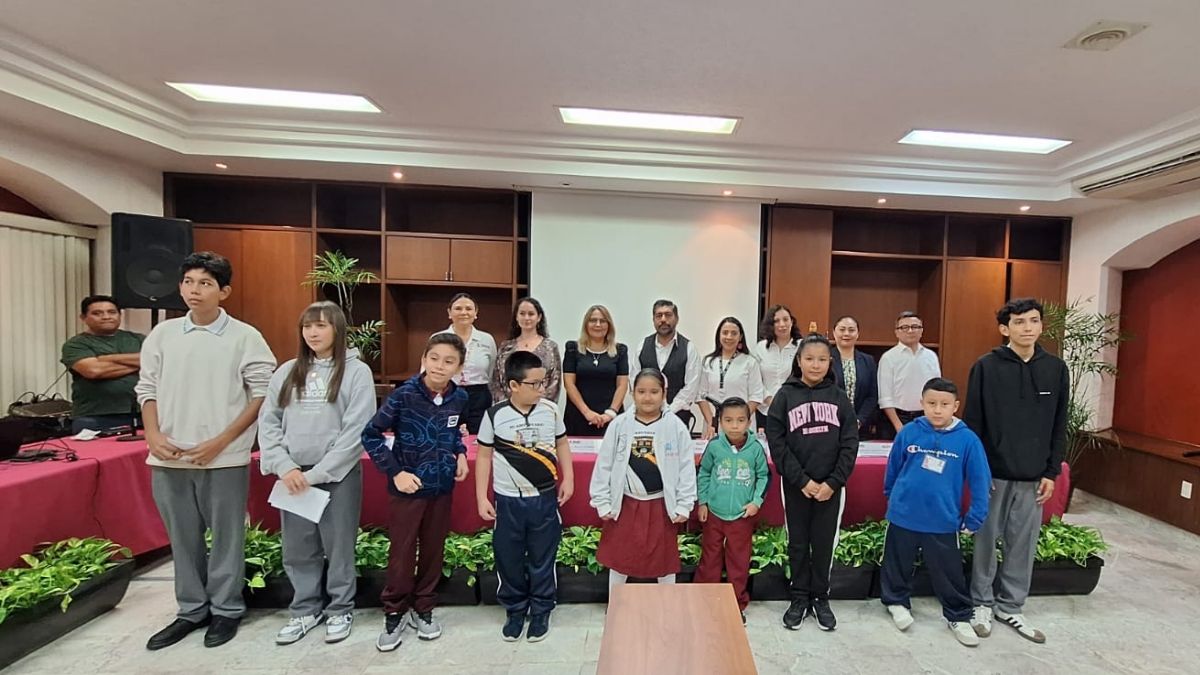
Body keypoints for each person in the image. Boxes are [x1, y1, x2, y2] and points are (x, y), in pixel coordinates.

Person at [136, 252, 276, 651]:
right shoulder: (162, 335)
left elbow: (261, 394)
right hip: (169, 456)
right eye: (188, 282)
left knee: (227, 537)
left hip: (224, 457)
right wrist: (152, 434)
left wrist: (221, 440)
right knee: (183, 539)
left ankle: (227, 609)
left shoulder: (245, 336)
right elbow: (146, 388)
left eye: (205, 283)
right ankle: (191, 610)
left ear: (224, 291)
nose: (194, 290)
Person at [258, 301, 375, 646]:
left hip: (336, 475)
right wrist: (285, 466)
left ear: (337, 329)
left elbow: (357, 429)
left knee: (338, 545)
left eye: (321, 325)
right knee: (298, 547)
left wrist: (318, 473)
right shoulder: (287, 371)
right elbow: (269, 422)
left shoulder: (356, 372)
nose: (313, 332)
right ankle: (305, 610)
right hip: (293, 475)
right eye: (307, 326)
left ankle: (340, 609)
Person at [964, 298, 1069, 645]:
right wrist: (977, 472)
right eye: (1019, 322)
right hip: (993, 474)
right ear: (1004, 328)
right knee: (985, 540)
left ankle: (1011, 605)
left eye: (1034, 321)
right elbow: (973, 422)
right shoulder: (986, 366)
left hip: (1034, 476)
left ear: (1041, 326)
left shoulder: (1055, 369)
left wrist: (1051, 471)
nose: (1028, 328)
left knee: (1022, 544)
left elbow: (1059, 424)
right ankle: (981, 602)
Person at [362, 333, 470, 652]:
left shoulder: (459, 397)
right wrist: (396, 472)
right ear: (424, 359)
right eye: (434, 358)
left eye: (448, 361)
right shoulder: (404, 395)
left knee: (434, 549)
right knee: (403, 552)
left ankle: (424, 607)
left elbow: (453, 432)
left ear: (459, 367)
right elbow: (370, 435)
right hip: (408, 488)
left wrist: (460, 453)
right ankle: (395, 611)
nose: (439, 366)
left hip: (442, 486)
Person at [880, 378, 991, 648]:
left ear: (955, 406)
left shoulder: (967, 440)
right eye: (931, 403)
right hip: (904, 515)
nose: (937, 410)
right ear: (922, 403)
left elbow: (980, 482)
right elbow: (893, 468)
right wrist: (892, 497)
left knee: (949, 571)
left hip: (943, 520)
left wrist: (975, 517)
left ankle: (958, 615)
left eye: (944, 404)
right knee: (897, 563)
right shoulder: (909, 432)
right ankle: (896, 602)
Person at [475, 351, 574, 642]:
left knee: (543, 556)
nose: (541, 389)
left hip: (543, 498)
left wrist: (569, 478)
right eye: (535, 384)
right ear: (514, 385)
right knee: (509, 558)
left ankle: (542, 609)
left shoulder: (550, 411)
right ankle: (515, 610)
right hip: (507, 500)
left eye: (544, 382)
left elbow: (562, 444)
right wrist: (482, 497)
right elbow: (483, 456)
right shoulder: (494, 415)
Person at [765, 334, 858, 632]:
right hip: (796, 487)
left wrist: (833, 482)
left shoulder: (839, 398)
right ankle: (799, 597)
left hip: (831, 488)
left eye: (821, 359)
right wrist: (802, 480)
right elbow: (777, 442)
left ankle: (820, 597)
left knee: (823, 543)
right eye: (809, 359)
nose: (815, 365)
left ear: (830, 362)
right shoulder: (785, 396)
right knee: (797, 543)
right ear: (799, 361)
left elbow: (850, 443)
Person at [590, 368, 696, 593]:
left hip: (661, 504)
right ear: (632, 393)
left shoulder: (676, 426)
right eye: (641, 391)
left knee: (664, 561)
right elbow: (604, 465)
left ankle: (667, 604)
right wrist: (602, 500)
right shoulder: (619, 424)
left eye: (654, 392)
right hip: (626, 503)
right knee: (620, 559)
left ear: (664, 394)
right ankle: (616, 603)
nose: (647, 397)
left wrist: (684, 503)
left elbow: (686, 468)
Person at [694, 397, 769, 624]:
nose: (734, 425)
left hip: (741, 515)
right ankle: (704, 601)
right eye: (728, 420)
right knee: (710, 558)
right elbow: (703, 473)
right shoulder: (715, 446)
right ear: (720, 422)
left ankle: (735, 604)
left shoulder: (755, 449)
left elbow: (764, 476)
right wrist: (703, 502)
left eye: (740, 420)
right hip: (714, 513)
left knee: (738, 561)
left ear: (749, 422)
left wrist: (756, 502)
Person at [61, 295, 145, 433]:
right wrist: (140, 363)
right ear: (83, 318)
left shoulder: (138, 339)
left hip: (143, 413)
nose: (106, 317)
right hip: (95, 416)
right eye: (97, 313)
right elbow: (94, 371)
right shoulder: (76, 344)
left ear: (120, 315)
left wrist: (108, 358)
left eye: (112, 312)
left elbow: (159, 363)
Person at [630, 299, 701, 430]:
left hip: (677, 419)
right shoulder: (642, 346)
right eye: (659, 315)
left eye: (668, 315)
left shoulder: (689, 348)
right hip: (644, 419)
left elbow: (691, 387)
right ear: (653, 320)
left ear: (677, 319)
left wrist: (668, 411)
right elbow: (635, 381)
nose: (663, 319)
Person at [433, 293, 496, 434]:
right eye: (458, 308)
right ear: (449, 313)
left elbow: (492, 371)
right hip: (447, 393)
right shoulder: (438, 338)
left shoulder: (486, 339)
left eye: (468, 308)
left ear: (476, 313)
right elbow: (427, 371)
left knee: (478, 437)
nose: (463, 312)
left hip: (479, 396)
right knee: (446, 435)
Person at [562, 305, 629, 437]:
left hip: (610, 417)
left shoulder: (620, 350)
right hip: (579, 416)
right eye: (593, 320)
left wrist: (610, 413)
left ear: (609, 325)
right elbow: (569, 384)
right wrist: (587, 412)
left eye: (603, 321)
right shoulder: (573, 349)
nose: (598, 324)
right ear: (586, 324)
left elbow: (622, 385)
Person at [877, 310, 941, 439]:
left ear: (921, 330)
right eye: (904, 327)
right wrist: (899, 426)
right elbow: (885, 398)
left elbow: (937, 390)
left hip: (925, 418)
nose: (910, 331)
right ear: (896, 332)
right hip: (896, 419)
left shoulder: (931, 356)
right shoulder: (889, 357)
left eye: (915, 327)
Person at [698, 317, 764, 439]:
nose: (729, 337)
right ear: (719, 335)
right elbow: (700, 395)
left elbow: (756, 396)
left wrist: (739, 420)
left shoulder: (750, 362)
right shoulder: (708, 362)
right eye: (725, 332)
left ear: (740, 337)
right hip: (713, 426)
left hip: (741, 426)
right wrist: (712, 422)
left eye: (734, 333)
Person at [490, 297, 562, 405]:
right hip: (508, 408)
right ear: (516, 317)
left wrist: (540, 406)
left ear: (539, 317)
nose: (526, 318)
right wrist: (508, 406)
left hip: (541, 408)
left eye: (531, 314)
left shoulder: (550, 347)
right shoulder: (506, 347)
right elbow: (497, 382)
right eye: (522, 314)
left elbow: (554, 382)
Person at [752, 304, 801, 431]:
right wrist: (770, 399)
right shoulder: (761, 348)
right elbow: (755, 380)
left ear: (792, 322)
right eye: (776, 321)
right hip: (766, 410)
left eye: (786, 319)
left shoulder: (801, 346)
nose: (782, 324)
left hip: (795, 409)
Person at [829, 315, 879, 440]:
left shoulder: (868, 361)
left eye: (851, 330)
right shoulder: (825, 359)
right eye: (842, 329)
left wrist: (859, 420)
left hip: (861, 427)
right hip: (830, 424)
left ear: (857, 334)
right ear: (834, 333)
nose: (846, 333)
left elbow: (872, 396)